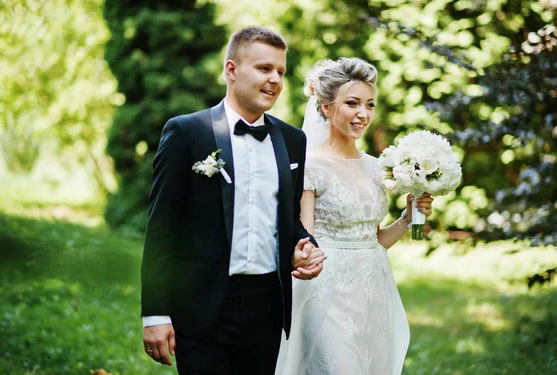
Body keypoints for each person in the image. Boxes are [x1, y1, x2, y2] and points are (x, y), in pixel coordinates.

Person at [141, 26, 327, 375]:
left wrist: (304, 246)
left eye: (281, 72)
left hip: (267, 305)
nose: (274, 79)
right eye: (264, 68)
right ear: (231, 70)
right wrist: (155, 313)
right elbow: (161, 227)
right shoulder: (186, 132)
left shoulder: (292, 140)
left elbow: (289, 220)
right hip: (202, 304)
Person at [275, 58, 434, 374]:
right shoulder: (311, 166)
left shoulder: (378, 167)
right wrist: (302, 258)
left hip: (374, 287)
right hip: (327, 290)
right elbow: (304, 238)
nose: (363, 113)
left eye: (370, 104)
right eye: (352, 103)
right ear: (326, 108)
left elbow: (375, 240)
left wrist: (407, 218)